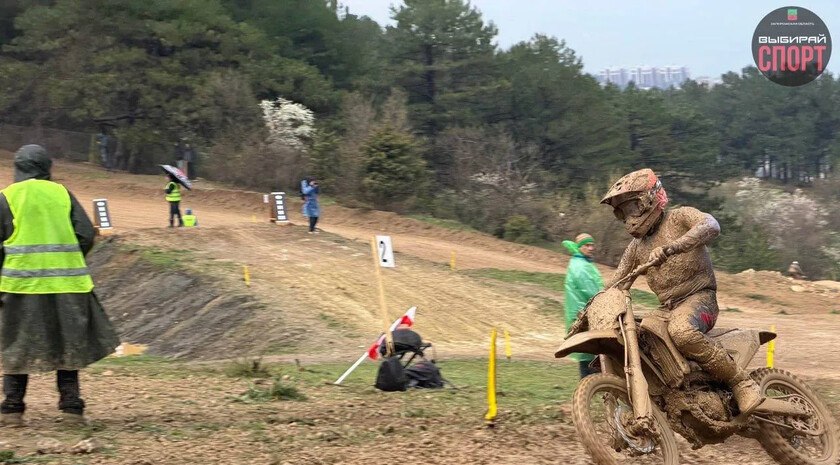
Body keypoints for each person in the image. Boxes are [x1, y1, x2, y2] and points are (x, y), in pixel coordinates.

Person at [601, 168, 764, 415]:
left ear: (650, 198)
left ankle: (741, 381)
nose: (629, 218)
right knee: (637, 337)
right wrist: (595, 303)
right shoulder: (635, 247)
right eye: (623, 212)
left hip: (700, 298)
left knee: (682, 332)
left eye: (632, 208)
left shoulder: (679, 218)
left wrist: (674, 247)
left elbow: (711, 225)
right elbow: (618, 281)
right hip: (667, 308)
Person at [0, 145, 120, 427]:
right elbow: (86, 234)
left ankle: (12, 410)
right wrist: (66, 257)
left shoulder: (7, 198)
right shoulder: (63, 194)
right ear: (46, 168)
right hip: (68, 284)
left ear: (18, 169)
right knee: (68, 344)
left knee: (17, 344)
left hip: (20, 286)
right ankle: (71, 410)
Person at [562, 233, 604, 378]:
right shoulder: (580, 267)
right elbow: (593, 292)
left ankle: (588, 391)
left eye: (592, 245)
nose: (591, 248)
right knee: (590, 355)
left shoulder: (581, 262)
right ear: (579, 247)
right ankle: (590, 391)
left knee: (588, 356)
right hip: (584, 316)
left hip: (583, 314)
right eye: (587, 245)